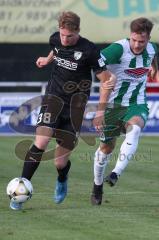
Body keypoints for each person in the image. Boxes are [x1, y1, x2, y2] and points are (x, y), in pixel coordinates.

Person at [9, 11, 116, 210]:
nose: (65, 40)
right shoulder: (55, 40)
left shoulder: (89, 50)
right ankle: (20, 189)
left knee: (59, 163)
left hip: (75, 109)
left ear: (78, 31)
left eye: (70, 36)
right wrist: (47, 59)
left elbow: (108, 80)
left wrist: (100, 112)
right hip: (53, 99)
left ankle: (62, 178)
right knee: (40, 142)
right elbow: (56, 51)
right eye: (62, 34)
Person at [91, 17, 158, 205]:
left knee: (135, 128)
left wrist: (153, 68)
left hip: (137, 103)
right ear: (130, 36)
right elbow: (94, 62)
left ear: (148, 38)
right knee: (106, 148)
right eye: (134, 40)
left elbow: (154, 55)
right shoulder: (118, 49)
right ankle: (97, 186)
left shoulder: (152, 48)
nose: (137, 45)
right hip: (113, 106)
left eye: (142, 41)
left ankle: (115, 173)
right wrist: (100, 110)